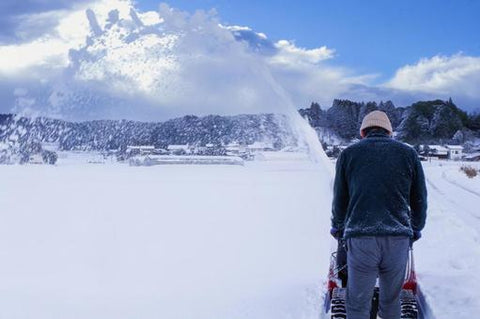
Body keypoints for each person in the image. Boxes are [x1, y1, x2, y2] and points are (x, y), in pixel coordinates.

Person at [330, 110, 427, 319]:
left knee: (357, 303)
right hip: (397, 238)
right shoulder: (408, 154)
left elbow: (340, 199)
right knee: (391, 301)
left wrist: (338, 226)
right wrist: (416, 227)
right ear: (389, 132)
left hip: (361, 238)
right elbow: (419, 197)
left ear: (363, 132)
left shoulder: (349, 154)